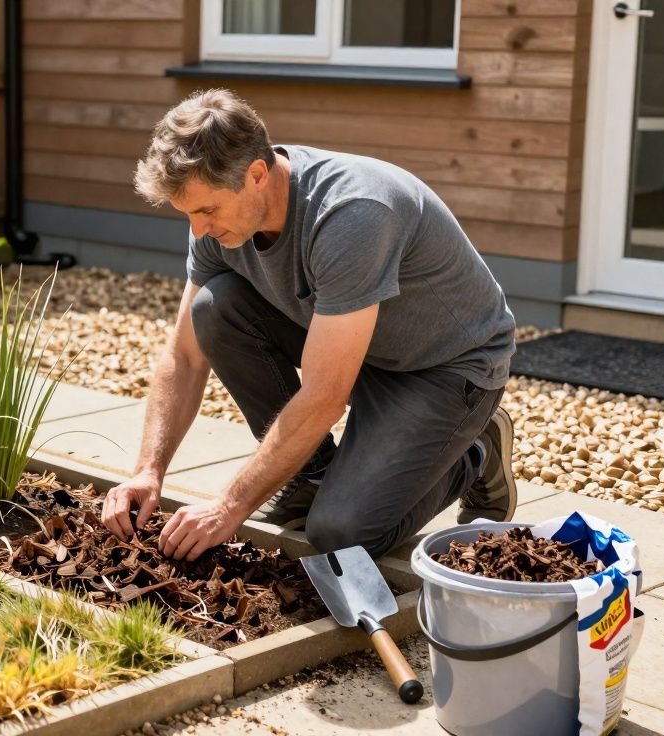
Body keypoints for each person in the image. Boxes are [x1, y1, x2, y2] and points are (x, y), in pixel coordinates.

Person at [100, 89, 517, 561]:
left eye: (207, 211)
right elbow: (184, 355)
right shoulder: (221, 213)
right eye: (189, 213)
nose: (198, 230)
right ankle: (309, 476)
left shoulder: (352, 214)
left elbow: (324, 396)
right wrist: (147, 472)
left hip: (443, 368)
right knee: (214, 308)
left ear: (256, 174)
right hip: (353, 346)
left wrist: (229, 507)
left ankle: (473, 454)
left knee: (341, 534)